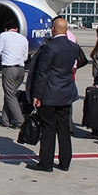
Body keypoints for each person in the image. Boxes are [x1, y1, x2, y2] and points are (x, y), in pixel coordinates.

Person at [25, 17, 79, 172]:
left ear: (53, 29)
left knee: (48, 128)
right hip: (66, 92)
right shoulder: (73, 46)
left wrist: (37, 95)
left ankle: (46, 163)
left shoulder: (50, 47)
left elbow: (42, 73)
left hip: (50, 93)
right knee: (64, 129)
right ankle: (65, 162)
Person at [0, 21, 28, 129]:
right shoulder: (23, 39)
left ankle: (19, 121)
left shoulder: (4, 35)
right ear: (16, 29)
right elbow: (25, 57)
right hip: (21, 69)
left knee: (10, 95)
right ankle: (5, 120)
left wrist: (0, 57)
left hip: (9, 68)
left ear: (5, 29)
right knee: (10, 94)